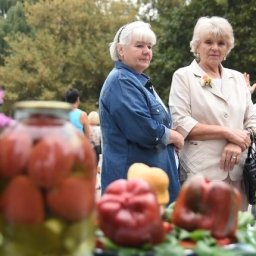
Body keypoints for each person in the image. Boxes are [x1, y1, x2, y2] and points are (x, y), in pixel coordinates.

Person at [169, 16, 256, 211]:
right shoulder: (183, 76)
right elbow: (181, 122)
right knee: (202, 233)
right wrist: (227, 133)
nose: (215, 48)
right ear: (197, 45)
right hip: (201, 173)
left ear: (228, 48)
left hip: (239, 174)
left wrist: (237, 142)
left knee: (236, 233)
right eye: (208, 42)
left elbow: (253, 119)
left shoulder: (236, 78)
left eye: (221, 43)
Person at [99, 20, 184, 204]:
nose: (147, 51)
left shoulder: (135, 80)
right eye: (139, 46)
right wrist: (174, 137)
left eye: (150, 46)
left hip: (147, 188)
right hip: (132, 191)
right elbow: (145, 130)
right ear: (121, 50)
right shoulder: (122, 81)